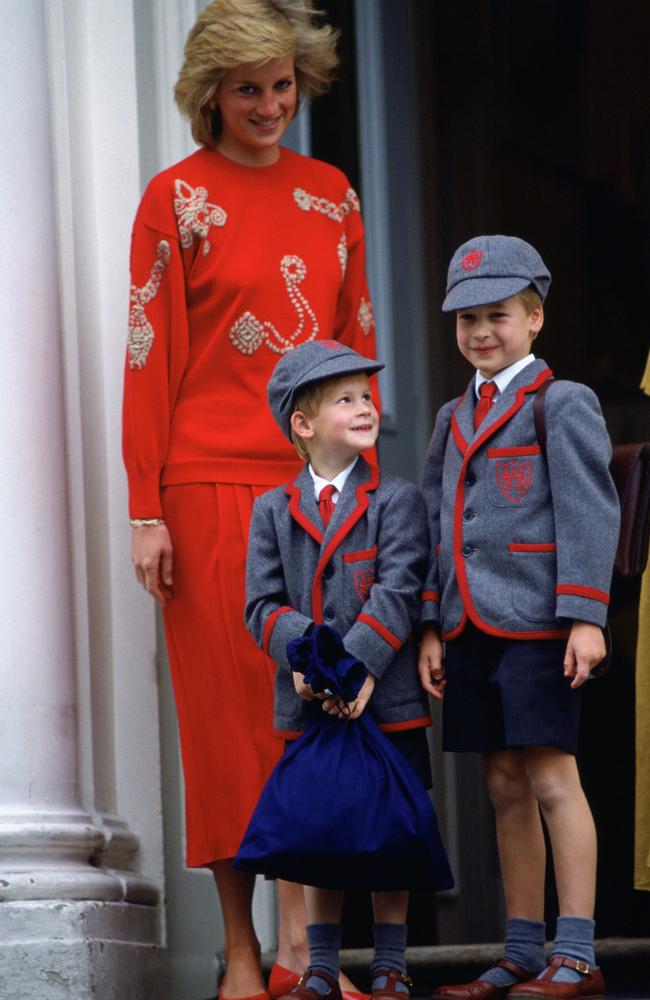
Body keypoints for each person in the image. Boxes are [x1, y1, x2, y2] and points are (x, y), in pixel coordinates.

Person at [122, 3, 378, 998]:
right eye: (245, 88)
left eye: (281, 84)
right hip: (204, 485)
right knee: (227, 719)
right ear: (210, 95)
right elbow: (150, 363)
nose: (268, 105)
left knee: (313, 712)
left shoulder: (333, 197)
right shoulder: (176, 199)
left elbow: (356, 347)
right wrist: (146, 509)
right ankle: (240, 953)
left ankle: (304, 957)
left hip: (314, 488)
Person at [418, 235, 620, 1000]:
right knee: (502, 785)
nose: (480, 332)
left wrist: (586, 616)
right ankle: (524, 949)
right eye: (466, 319)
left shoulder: (561, 402)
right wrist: (434, 624)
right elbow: (441, 521)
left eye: (498, 315)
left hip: (540, 621)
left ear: (534, 319)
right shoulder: (450, 415)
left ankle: (578, 953)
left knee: (550, 776)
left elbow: (589, 509)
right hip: (471, 626)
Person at [245, 340, 436, 1000]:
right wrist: (310, 666)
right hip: (310, 702)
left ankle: (391, 963)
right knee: (319, 834)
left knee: (393, 835)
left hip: (387, 697)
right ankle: (321, 966)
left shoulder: (398, 499)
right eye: (347, 398)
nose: (366, 406)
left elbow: (400, 588)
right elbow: (261, 605)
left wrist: (354, 670)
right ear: (304, 424)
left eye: (367, 396)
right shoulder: (271, 510)